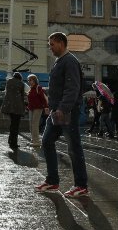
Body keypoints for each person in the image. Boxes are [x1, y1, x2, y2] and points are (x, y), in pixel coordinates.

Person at [35, 32, 90, 198]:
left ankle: (81, 185)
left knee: (74, 147)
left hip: (67, 112)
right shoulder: (60, 61)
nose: (50, 47)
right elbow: (59, 88)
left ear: (60, 43)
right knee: (46, 142)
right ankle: (52, 180)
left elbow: (72, 88)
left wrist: (62, 108)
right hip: (56, 111)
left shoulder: (70, 61)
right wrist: (51, 106)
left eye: (52, 44)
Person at [1, 72, 27, 150]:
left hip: (9, 106)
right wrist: (23, 107)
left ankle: (10, 140)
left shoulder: (9, 82)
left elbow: (6, 93)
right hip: (17, 107)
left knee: (12, 124)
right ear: (20, 77)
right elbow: (22, 96)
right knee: (16, 125)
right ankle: (14, 143)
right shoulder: (21, 84)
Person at [26, 74, 48, 148]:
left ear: (35, 80)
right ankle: (33, 139)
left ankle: (37, 141)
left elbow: (43, 99)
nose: (29, 82)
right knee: (30, 124)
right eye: (29, 80)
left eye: (31, 80)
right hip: (31, 108)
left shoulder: (38, 88)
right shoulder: (31, 88)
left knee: (35, 124)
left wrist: (46, 107)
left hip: (38, 108)